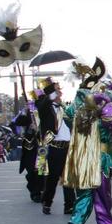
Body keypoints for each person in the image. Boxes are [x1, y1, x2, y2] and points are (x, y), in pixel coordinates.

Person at [64, 89, 112, 224]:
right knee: (102, 194)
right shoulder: (103, 120)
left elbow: (68, 112)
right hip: (99, 160)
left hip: (81, 161)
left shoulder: (76, 119)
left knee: (84, 194)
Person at [37, 79, 76, 216]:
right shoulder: (45, 107)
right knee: (53, 177)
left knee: (68, 177)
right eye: (57, 91)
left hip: (67, 147)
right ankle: (47, 202)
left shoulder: (63, 109)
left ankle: (69, 205)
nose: (60, 93)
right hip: (54, 148)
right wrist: (52, 89)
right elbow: (45, 101)